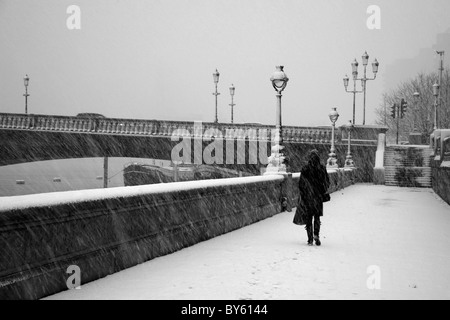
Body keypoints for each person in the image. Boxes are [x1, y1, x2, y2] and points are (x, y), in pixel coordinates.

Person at [298, 149, 330, 246]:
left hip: (308, 197)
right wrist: (322, 190)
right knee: (317, 217)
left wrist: (303, 193)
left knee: (308, 218)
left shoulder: (305, 169)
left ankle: (310, 238)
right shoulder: (322, 168)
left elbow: (301, 184)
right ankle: (316, 234)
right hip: (318, 196)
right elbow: (327, 182)